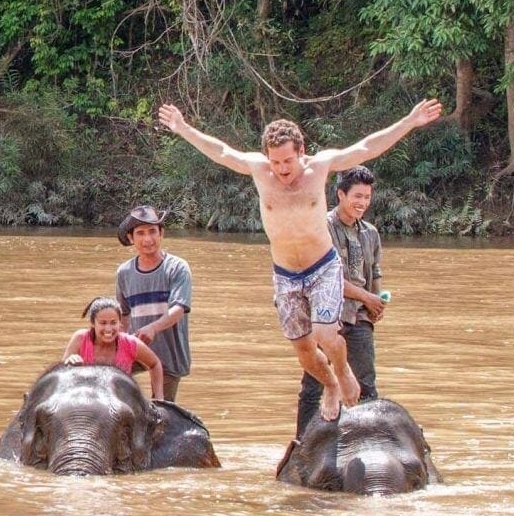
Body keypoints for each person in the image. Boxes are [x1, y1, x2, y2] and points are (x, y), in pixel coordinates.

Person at [157, 98, 442, 421]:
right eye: (276, 162)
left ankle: (344, 370)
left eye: (288, 161)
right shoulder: (259, 170)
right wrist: (182, 128)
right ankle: (331, 385)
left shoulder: (319, 167)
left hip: (322, 268)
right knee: (304, 351)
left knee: (324, 333)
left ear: (301, 151)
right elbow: (221, 152)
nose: (282, 170)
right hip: (285, 274)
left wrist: (408, 121)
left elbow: (365, 148)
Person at [294, 165, 384, 437]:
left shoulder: (370, 233)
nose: (362, 203)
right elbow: (326, 279)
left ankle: (371, 442)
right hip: (326, 317)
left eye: (367, 197)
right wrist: (368, 297)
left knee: (366, 385)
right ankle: (302, 444)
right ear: (341, 194)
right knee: (314, 383)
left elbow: (375, 272)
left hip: (359, 317)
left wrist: (376, 302)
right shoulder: (322, 229)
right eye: (357, 196)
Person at [116, 205, 193, 403]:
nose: (147, 239)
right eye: (140, 233)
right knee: (110, 384)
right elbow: (123, 315)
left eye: (152, 232)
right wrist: (117, 345)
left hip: (170, 352)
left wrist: (153, 328)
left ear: (162, 234)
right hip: (137, 348)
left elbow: (178, 309)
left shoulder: (177, 268)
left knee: (162, 410)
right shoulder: (124, 273)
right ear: (131, 238)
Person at [61, 296, 165, 400]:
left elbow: (155, 364)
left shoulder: (130, 343)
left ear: (120, 323)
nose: (108, 329)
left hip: (120, 403)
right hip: (87, 401)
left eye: (113, 322)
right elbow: (60, 374)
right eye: (103, 323)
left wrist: (158, 398)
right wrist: (69, 364)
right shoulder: (80, 339)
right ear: (93, 323)